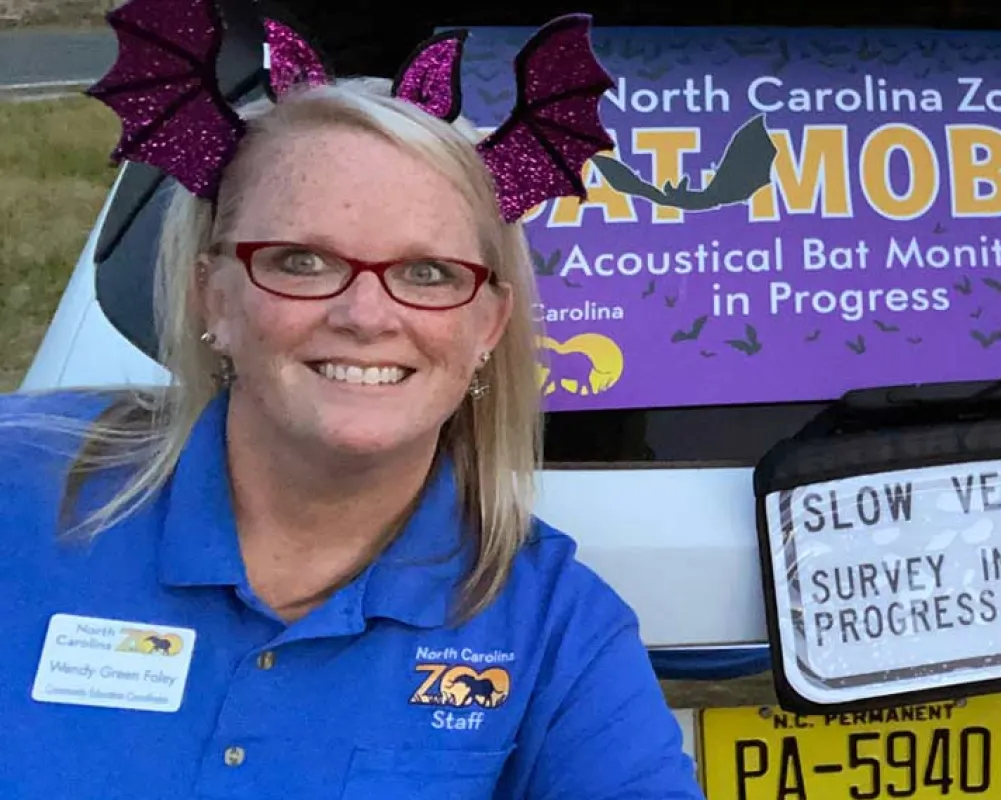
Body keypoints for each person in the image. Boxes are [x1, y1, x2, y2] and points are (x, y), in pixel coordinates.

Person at [0, 1, 703, 797]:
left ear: (488, 325)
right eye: (302, 261)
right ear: (212, 297)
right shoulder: (20, 496)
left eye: (428, 273)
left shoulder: (553, 630)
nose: (367, 316)